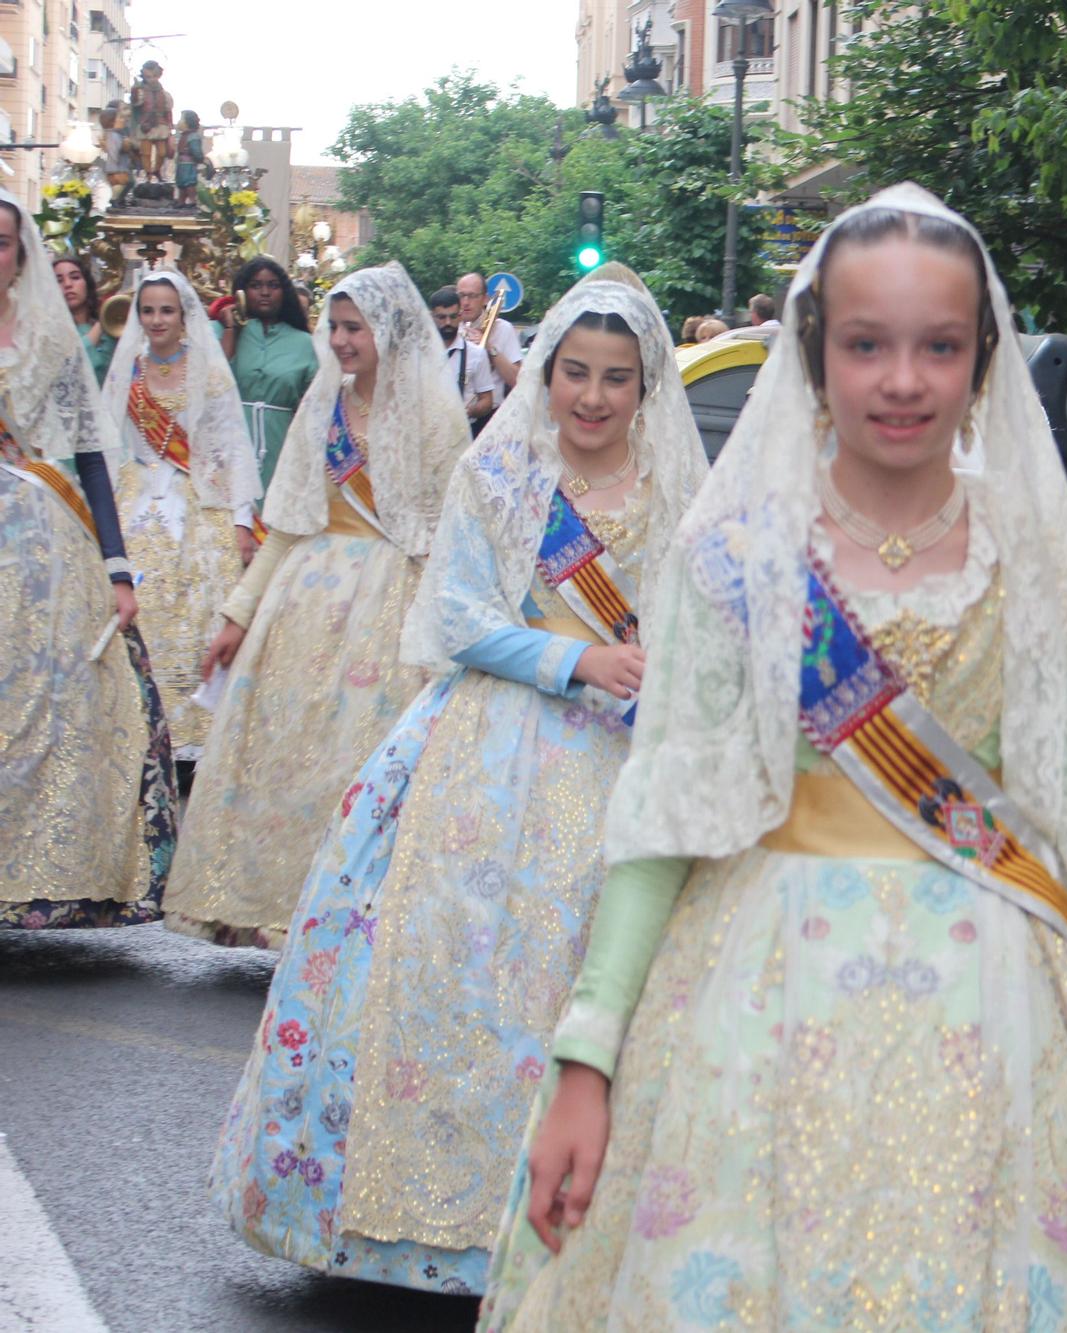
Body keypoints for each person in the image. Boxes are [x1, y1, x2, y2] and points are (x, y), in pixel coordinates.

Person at [477, 185, 1067, 1331]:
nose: (901, 379)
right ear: (814, 355)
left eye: (937, 346)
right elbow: (662, 816)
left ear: (979, 360)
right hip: (748, 1007)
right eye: (866, 344)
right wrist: (588, 1057)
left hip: (998, 1011)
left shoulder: (1033, 556)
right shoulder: (734, 549)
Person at [209, 267, 709, 1294]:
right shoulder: (500, 473)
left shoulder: (675, 495)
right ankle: (422, 1220)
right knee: (448, 968)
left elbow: (695, 622)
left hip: (627, 758)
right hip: (489, 754)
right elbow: (458, 617)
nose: (594, 397)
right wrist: (574, 659)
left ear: (645, 387)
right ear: (546, 371)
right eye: (576, 372)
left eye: (618, 378)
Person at [163, 264, 472, 949]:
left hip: (389, 609)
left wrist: (438, 636)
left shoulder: (436, 416)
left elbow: (452, 539)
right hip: (302, 606)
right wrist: (239, 614)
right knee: (281, 764)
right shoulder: (324, 403)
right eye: (333, 326)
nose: (338, 341)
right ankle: (274, 912)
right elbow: (289, 523)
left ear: (387, 332)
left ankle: (347, 925)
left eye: (353, 328)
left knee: (355, 770)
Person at [0, 188, 177, 930]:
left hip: (43, 542)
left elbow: (92, 459)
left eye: (2, 242)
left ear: (20, 254)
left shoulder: (51, 337)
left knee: (47, 713)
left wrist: (116, 564)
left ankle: (38, 878)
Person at [102, 270, 261, 789]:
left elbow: (232, 448)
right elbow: (107, 443)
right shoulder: (128, 370)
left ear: (184, 314)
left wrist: (240, 520)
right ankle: (137, 725)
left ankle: (194, 739)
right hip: (135, 494)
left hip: (198, 502)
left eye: (166, 310)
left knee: (197, 613)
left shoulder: (209, 374)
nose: (157, 321)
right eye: (148, 311)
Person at [214, 256, 319, 492]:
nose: (264, 292)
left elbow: (316, 401)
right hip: (228, 439)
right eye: (255, 286)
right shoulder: (221, 330)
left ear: (284, 292)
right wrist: (231, 328)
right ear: (242, 291)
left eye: (273, 286)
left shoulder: (304, 342)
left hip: (281, 442)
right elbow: (214, 381)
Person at [432, 285, 498, 430]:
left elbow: (487, 400)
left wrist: (468, 412)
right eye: (442, 317)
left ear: (460, 315)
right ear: (432, 316)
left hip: (462, 434)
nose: (448, 322)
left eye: (453, 316)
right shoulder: (419, 353)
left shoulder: (476, 354)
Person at [459, 271, 525, 405]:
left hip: (489, 416)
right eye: (461, 296)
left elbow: (518, 381)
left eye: (472, 296)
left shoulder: (503, 328)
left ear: (485, 299)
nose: (465, 302)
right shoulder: (451, 328)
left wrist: (489, 347)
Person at [53, 254, 113, 384]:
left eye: (75, 277)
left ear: (87, 283)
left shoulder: (110, 329)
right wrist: (101, 324)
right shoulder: (49, 333)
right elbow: (74, 366)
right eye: (59, 280)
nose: (68, 284)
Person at [129, 61, 173, 183]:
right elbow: (135, 103)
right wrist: (135, 91)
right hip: (145, 123)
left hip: (160, 123)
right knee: (145, 153)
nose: (152, 79)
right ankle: (148, 174)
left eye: (154, 76)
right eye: (148, 77)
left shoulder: (164, 93)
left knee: (162, 152)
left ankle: (156, 170)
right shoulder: (141, 90)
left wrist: (170, 125)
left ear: (159, 75)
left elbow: (168, 110)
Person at [174, 110, 208, 207]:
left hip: (188, 164)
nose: (179, 122)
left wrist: (200, 158)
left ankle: (192, 200)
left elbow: (196, 151)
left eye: (181, 119)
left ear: (187, 122)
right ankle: (181, 201)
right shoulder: (183, 136)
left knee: (189, 182)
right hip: (181, 164)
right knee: (181, 183)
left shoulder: (193, 137)